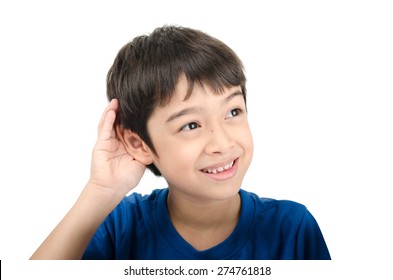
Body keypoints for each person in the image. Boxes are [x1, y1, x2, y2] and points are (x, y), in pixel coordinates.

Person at [30, 25, 331, 260]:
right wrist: (101, 191)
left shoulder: (293, 229)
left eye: (233, 111)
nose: (222, 143)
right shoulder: (119, 227)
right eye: (191, 125)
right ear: (139, 145)